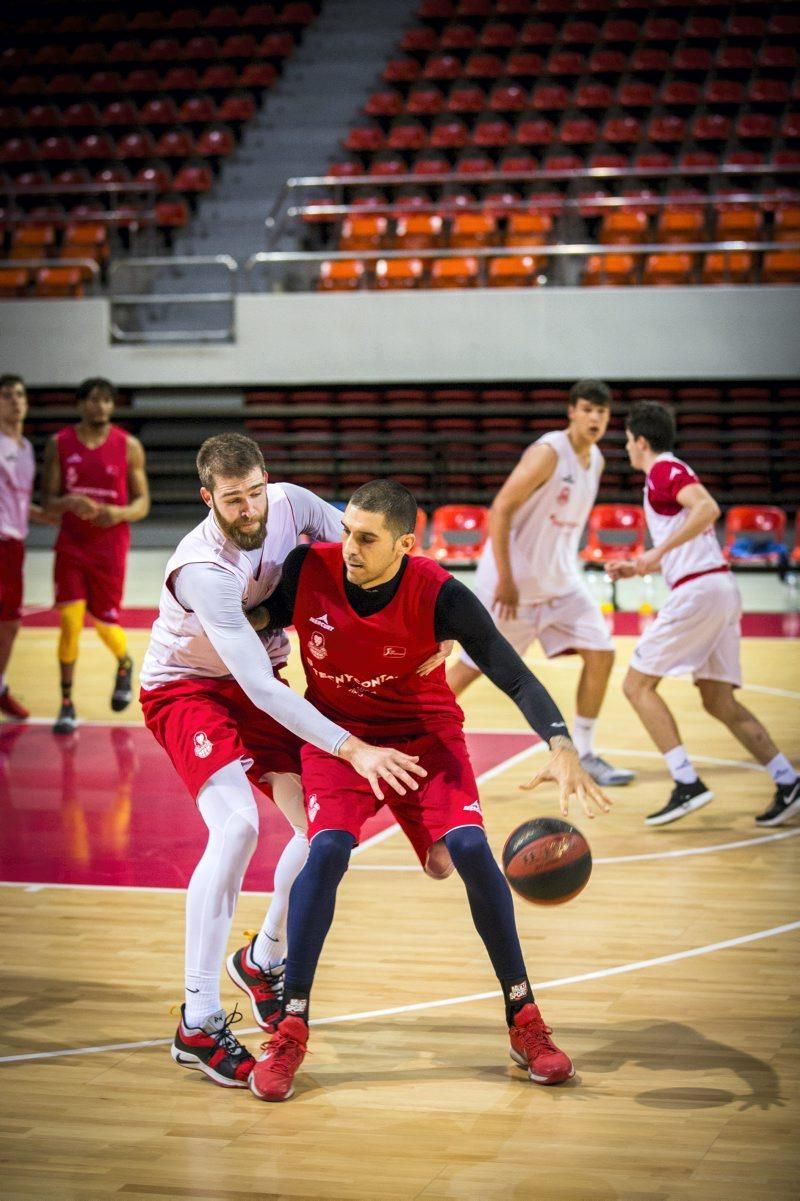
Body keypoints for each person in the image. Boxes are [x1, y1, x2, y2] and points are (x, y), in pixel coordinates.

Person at [244, 478, 611, 1104]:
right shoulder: (310, 570)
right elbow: (245, 620)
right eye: (345, 531)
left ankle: (525, 1022)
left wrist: (559, 742)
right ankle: (291, 1026)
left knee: (466, 851)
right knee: (325, 849)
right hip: (339, 739)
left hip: (422, 736)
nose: (349, 546)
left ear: (406, 545)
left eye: (366, 538)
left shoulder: (442, 595)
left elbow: (512, 673)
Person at [139, 435, 428, 1089]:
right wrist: (351, 744)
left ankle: (262, 955)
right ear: (209, 497)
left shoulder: (295, 504)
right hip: (187, 688)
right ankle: (199, 1019)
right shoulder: (203, 570)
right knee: (237, 825)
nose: (249, 508)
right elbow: (264, 689)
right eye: (233, 499)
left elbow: (365, 553)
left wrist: (421, 616)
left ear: (268, 480)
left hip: (255, 678)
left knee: (321, 833)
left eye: (255, 492)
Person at [607, 400, 799, 828]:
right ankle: (788, 780)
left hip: (701, 591)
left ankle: (686, 782)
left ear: (640, 441)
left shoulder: (663, 468)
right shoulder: (660, 478)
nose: (626, 448)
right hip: (716, 587)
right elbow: (684, 536)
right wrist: (641, 564)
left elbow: (707, 507)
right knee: (717, 699)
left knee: (637, 686)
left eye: (626, 441)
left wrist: (655, 552)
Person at [446, 379, 634, 788]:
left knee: (601, 652)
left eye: (602, 412)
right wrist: (507, 579)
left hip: (562, 584)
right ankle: (406, 734)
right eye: (587, 409)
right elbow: (500, 510)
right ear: (571, 412)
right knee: (469, 669)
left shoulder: (596, 460)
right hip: (512, 588)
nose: (595, 418)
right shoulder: (549, 453)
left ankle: (583, 753)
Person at [41, 377, 150, 734]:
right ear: (80, 404)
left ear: (112, 406)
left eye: (106, 401)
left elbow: (142, 503)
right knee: (70, 621)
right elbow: (49, 501)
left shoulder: (128, 446)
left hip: (109, 547)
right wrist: (68, 502)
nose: (100, 406)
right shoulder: (59, 444)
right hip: (72, 543)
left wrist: (117, 513)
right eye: (93, 400)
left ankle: (124, 661)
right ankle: (66, 703)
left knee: (105, 623)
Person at [0, 373, 52, 720]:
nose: (15, 400)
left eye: (19, 394)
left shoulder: (25, 449)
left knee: (9, 624)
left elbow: (16, 502)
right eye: (6, 395)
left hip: (14, 546)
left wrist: (56, 516)